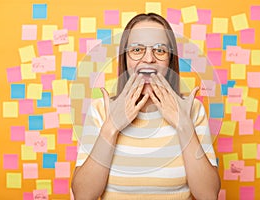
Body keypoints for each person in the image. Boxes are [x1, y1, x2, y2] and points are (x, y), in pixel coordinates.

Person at [71, 13, 220, 200]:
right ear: (125, 58)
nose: (149, 59)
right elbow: (83, 195)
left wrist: (184, 125)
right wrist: (111, 127)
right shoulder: (101, 110)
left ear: (170, 60)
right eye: (137, 49)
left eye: (160, 50)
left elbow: (209, 195)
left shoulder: (192, 109)